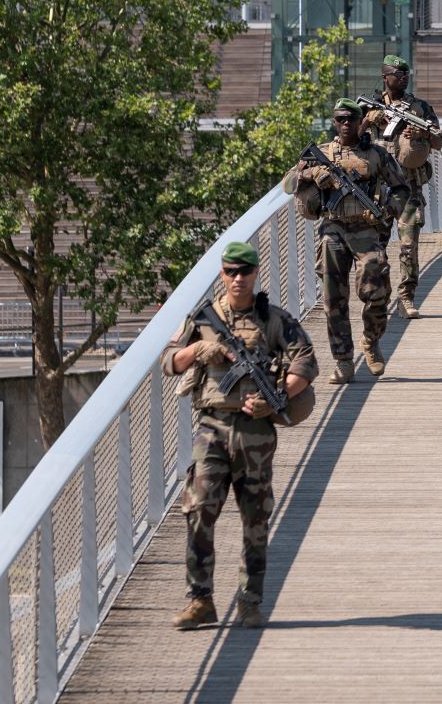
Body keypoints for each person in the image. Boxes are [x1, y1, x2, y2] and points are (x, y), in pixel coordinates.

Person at [162, 241, 317, 631]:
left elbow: (306, 360)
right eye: (230, 272)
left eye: (244, 272)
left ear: (255, 273)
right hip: (212, 428)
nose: (237, 279)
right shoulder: (201, 320)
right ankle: (200, 601)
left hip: (255, 433)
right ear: (222, 274)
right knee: (199, 511)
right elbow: (169, 362)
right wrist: (199, 349)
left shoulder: (273, 320)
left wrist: (278, 397)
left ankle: (249, 602)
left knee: (256, 520)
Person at [283, 99, 410, 383]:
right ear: (334, 122)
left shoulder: (376, 155)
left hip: (366, 231)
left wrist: (389, 210)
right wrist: (311, 173)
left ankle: (371, 340)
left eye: (351, 119)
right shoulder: (322, 153)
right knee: (333, 300)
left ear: (359, 120)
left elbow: (402, 188)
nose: (345, 124)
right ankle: (343, 361)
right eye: (340, 119)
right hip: (333, 230)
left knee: (377, 291)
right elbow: (288, 184)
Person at [360, 54, 442, 315]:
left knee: (409, 246)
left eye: (406, 74)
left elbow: (440, 142)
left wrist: (422, 134)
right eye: (397, 74)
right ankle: (380, 297)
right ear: (385, 77)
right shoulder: (369, 106)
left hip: (409, 189)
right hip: (379, 189)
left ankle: (406, 297)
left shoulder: (420, 108)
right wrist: (369, 119)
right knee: (377, 248)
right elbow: (348, 138)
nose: (403, 78)